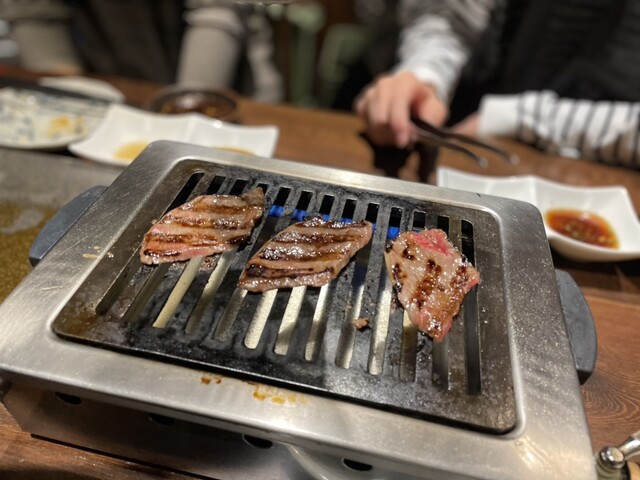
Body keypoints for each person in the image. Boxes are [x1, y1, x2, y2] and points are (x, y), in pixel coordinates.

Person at [355, 0, 640, 168]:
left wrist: (517, 117)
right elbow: (451, 15)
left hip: (607, 162)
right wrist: (427, 75)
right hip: (468, 110)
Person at [0, 0, 283, 102]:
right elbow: (33, 9)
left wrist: (186, 109)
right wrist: (70, 101)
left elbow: (218, 11)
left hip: (226, 85)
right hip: (111, 79)